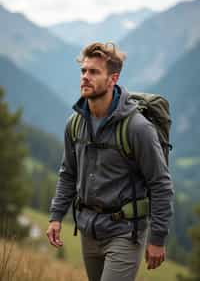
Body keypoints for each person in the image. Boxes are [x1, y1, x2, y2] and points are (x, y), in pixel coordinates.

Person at [46, 42, 174, 281]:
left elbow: (161, 184)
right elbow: (68, 173)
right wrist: (55, 216)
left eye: (94, 72)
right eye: (83, 71)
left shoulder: (137, 128)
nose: (85, 77)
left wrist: (158, 238)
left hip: (126, 233)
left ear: (112, 78)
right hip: (88, 230)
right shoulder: (75, 124)